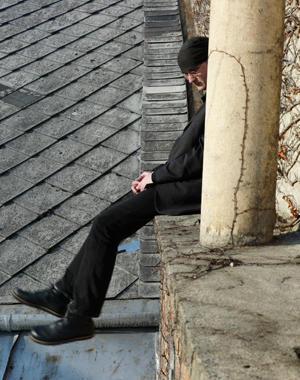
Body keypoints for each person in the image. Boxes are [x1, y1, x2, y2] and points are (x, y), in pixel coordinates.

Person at [12, 36, 209, 345]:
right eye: (186, 73)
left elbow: (202, 158)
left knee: (107, 225)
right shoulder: (216, 96)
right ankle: (60, 294)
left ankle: (79, 317)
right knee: (107, 220)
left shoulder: (223, 98)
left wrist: (158, 175)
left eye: (194, 69)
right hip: (180, 184)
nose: (190, 78)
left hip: (190, 189)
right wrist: (153, 176)